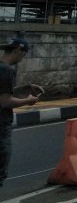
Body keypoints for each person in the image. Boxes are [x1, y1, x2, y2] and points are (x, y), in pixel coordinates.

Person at [0, 38, 44, 187]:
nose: (21, 59)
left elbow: (4, 93)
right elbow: (5, 101)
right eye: (23, 55)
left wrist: (27, 87)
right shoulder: (7, 71)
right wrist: (29, 101)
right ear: (18, 51)